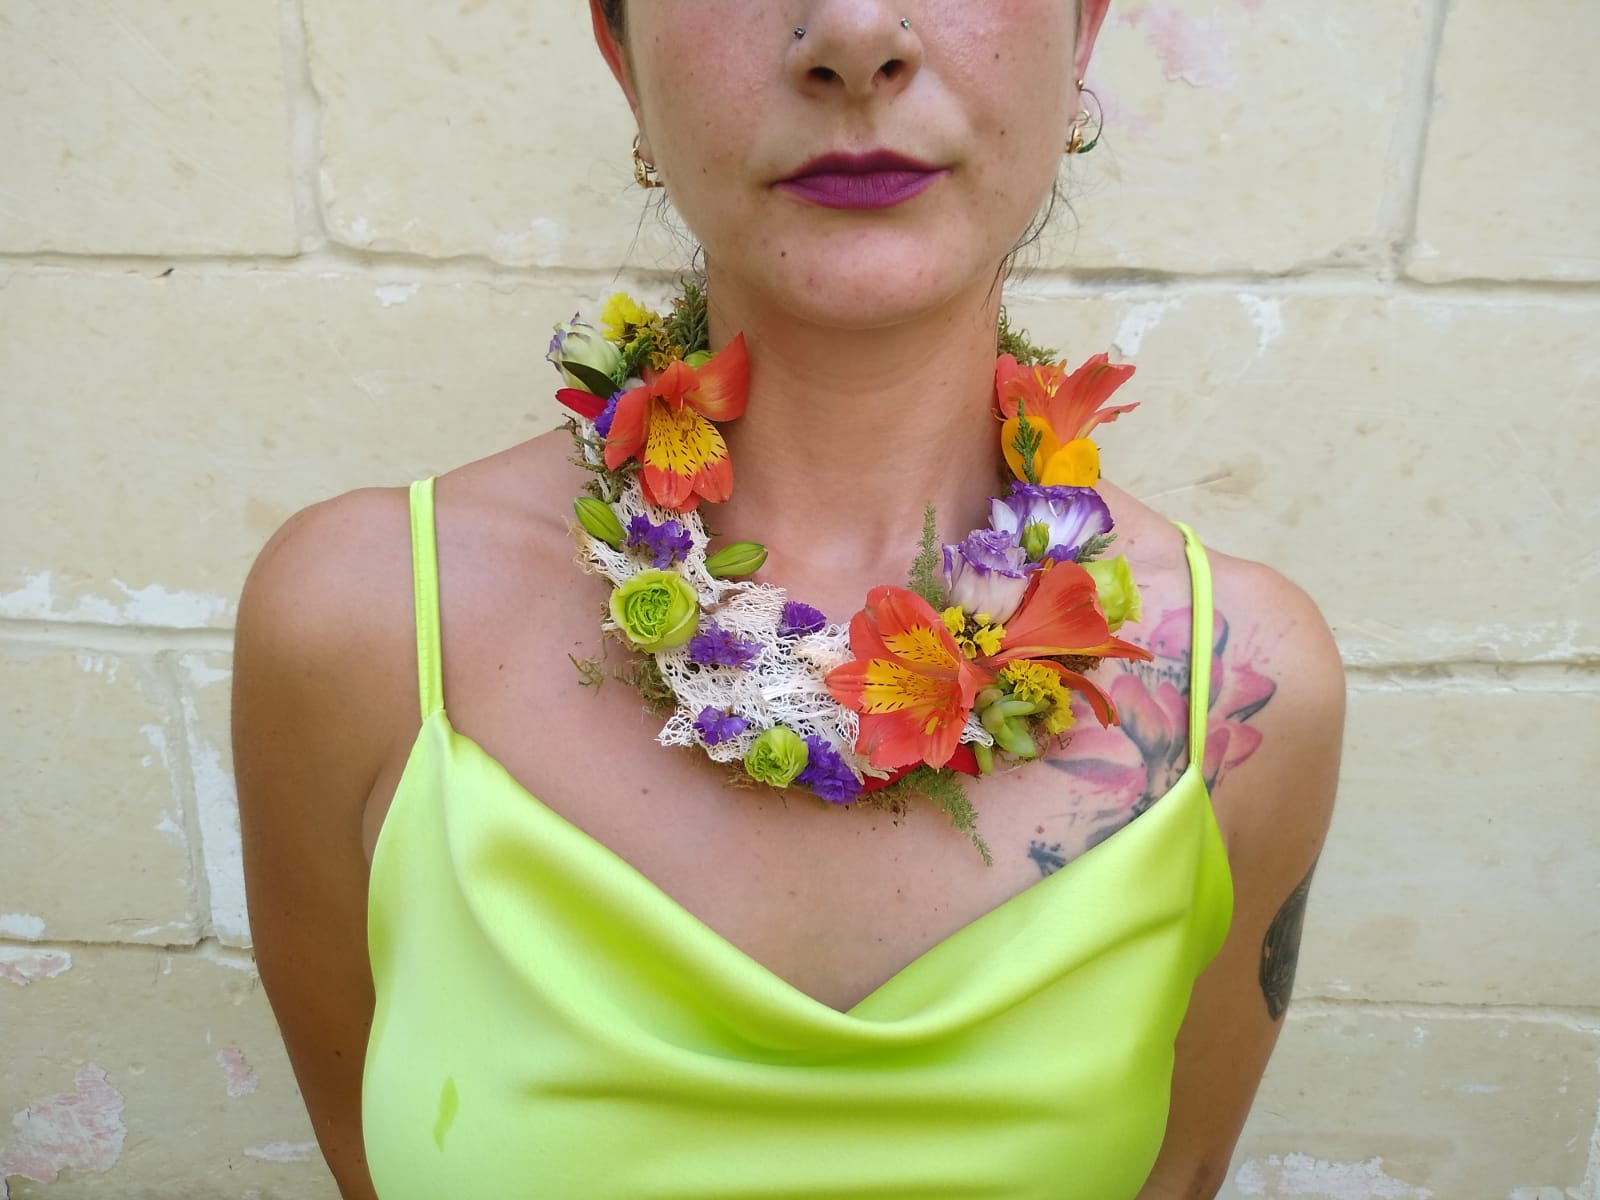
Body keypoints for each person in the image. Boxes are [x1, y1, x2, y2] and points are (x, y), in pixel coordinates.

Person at [233, 2, 1344, 1197]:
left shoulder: (1235, 691)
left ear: (1080, 34)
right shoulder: (361, 630)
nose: (855, 33)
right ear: (622, 56)